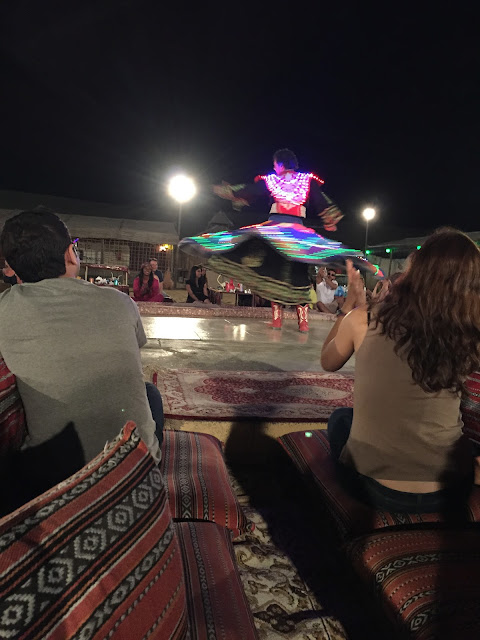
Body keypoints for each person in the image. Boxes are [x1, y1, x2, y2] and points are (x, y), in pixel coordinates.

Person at [0, 210, 164, 508]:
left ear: (12, 267)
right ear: (70, 255)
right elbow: (136, 345)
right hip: (137, 473)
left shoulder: (4, 310)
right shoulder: (120, 302)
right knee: (150, 393)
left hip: (52, 484)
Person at [321, 229, 480, 513]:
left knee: (341, 419)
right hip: (451, 489)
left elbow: (327, 361)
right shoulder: (469, 332)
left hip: (373, 489)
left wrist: (348, 307)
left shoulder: (364, 318)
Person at [179, 148, 380, 332]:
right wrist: (330, 219)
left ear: (280, 164)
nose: (274, 168)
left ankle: (277, 320)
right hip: (298, 235)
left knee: (274, 274)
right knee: (299, 275)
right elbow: (321, 200)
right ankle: (303, 323)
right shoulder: (307, 180)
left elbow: (250, 190)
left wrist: (229, 191)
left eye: (275, 165)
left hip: (275, 233)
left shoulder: (272, 180)